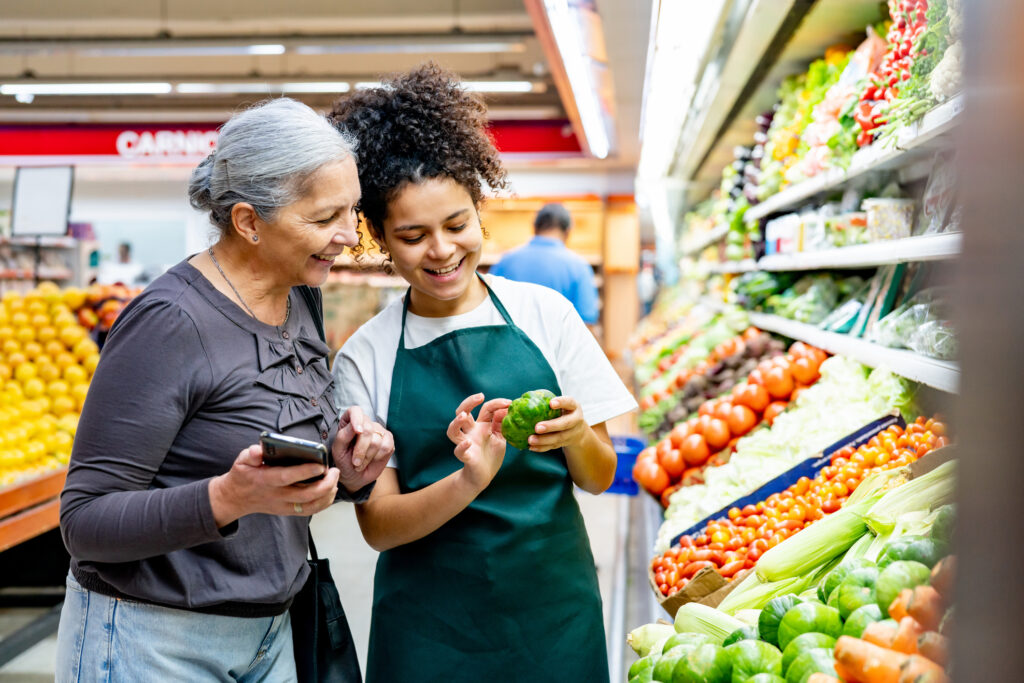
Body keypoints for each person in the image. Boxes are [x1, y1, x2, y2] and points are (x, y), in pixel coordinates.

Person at [56, 98, 394, 682]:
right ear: (247, 222)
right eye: (323, 218)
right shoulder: (169, 322)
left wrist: (345, 469)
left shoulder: (300, 297)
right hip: (152, 642)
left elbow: (274, 480)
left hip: (269, 632)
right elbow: (84, 522)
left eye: (352, 211)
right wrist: (227, 498)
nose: (348, 236)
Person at [330, 64, 637, 682]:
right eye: (413, 235)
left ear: (480, 212)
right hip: (430, 629)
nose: (442, 251)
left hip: (553, 611)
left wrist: (577, 436)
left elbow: (601, 477)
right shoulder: (366, 355)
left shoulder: (544, 315)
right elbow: (380, 528)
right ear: (382, 240)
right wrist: (468, 481)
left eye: (457, 224)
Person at [489, 202, 601, 325]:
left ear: (535, 227)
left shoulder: (505, 261)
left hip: (511, 342)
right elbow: (587, 321)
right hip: (559, 344)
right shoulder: (579, 267)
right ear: (568, 232)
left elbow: (489, 309)